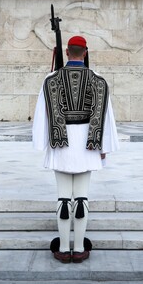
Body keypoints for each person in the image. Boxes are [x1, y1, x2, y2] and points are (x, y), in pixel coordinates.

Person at [32, 35, 119, 263]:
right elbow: (106, 116)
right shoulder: (99, 80)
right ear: (86, 52)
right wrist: (103, 146)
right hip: (88, 145)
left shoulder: (51, 79)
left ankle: (62, 248)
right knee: (81, 198)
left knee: (63, 199)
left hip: (61, 143)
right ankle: (79, 249)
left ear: (67, 52)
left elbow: (43, 114)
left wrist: (43, 143)